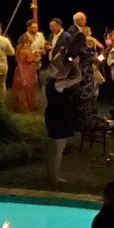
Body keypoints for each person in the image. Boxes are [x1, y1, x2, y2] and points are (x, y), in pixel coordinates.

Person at [42, 52, 83, 184]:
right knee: (59, 150)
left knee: (51, 148)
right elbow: (78, 78)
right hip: (60, 117)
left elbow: (63, 73)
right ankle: (55, 177)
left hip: (51, 115)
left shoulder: (48, 83)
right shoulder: (59, 84)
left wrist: (67, 59)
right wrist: (76, 66)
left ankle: (50, 174)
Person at [11, 28, 42, 112]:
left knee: (31, 88)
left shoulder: (29, 48)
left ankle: (31, 106)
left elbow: (30, 58)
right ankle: (24, 108)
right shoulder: (22, 50)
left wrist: (35, 55)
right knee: (24, 88)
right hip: (24, 71)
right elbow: (20, 64)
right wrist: (22, 77)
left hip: (30, 70)